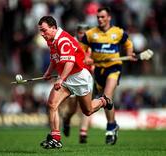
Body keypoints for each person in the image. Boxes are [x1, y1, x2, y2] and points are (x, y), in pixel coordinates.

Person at [38, 16, 113, 149]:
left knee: (87, 111)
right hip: (66, 78)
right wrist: (48, 72)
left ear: (53, 28)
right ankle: (55, 138)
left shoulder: (63, 40)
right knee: (52, 104)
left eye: (44, 30)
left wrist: (61, 79)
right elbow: (54, 59)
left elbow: (70, 62)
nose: (42, 34)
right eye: (40, 31)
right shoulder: (51, 40)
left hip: (79, 78)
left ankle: (103, 101)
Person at [81, 7, 137, 145]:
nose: (100, 19)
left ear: (109, 17)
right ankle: (113, 125)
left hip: (114, 68)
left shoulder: (118, 32)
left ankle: (110, 128)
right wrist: (86, 58)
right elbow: (81, 50)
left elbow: (128, 43)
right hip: (98, 70)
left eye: (103, 17)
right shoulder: (90, 34)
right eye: (98, 17)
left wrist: (130, 54)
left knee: (107, 96)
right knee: (105, 101)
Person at [62, 23, 94, 143]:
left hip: (86, 78)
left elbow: (96, 60)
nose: (82, 35)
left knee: (86, 106)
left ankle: (83, 133)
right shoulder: (71, 43)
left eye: (85, 33)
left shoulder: (92, 44)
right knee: (73, 108)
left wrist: (93, 62)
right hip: (73, 78)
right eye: (81, 33)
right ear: (77, 32)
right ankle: (66, 119)